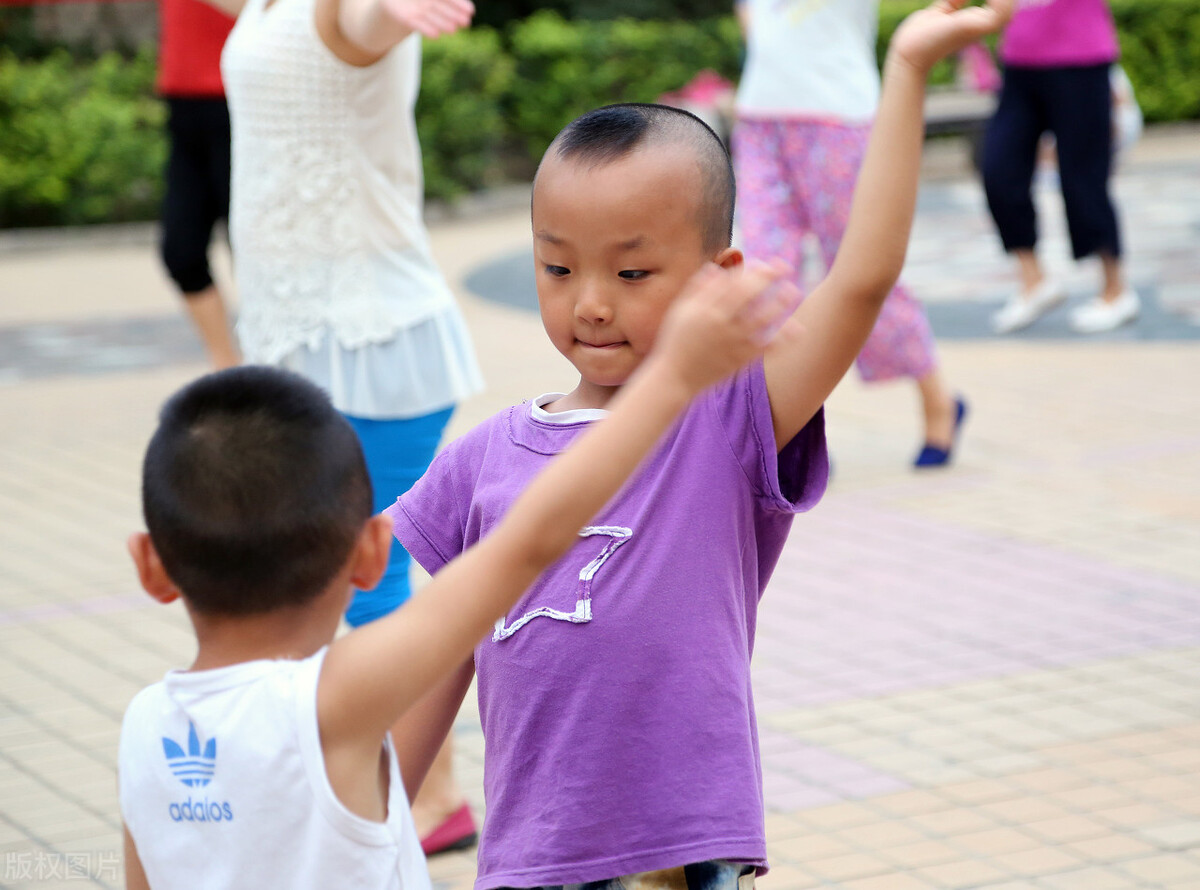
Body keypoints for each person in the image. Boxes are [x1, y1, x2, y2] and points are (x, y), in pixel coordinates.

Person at [386, 4, 1013, 890]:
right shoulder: (478, 460)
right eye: (558, 268)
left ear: (716, 277)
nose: (591, 302)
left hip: (681, 860)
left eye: (631, 272)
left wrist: (905, 70)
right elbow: (432, 663)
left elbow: (863, 279)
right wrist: (370, 839)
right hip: (530, 862)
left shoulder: (728, 419)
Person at [118, 265, 797, 890]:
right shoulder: (337, 698)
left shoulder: (145, 729)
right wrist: (673, 376)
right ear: (370, 553)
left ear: (151, 565)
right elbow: (530, 542)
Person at [206, 0, 484, 846]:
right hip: (310, 340)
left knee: (368, 578)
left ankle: (432, 798)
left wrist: (383, 9)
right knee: (350, 575)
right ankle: (419, 793)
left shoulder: (341, 9)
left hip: (369, 341)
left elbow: (357, 23)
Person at [732, 0, 966, 468]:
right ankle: (790, 423)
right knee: (764, 273)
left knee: (865, 267)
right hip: (760, 118)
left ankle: (937, 398)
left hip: (836, 118)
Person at [983, 0, 1137, 334]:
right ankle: (1034, 281)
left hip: (1081, 57)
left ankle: (1116, 292)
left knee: (1084, 179)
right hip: (1020, 63)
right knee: (998, 169)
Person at [157, 0, 239, 370]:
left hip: (242, 99)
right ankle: (228, 367)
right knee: (181, 251)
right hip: (184, 102)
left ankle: (276, 369)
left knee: (255, 254)